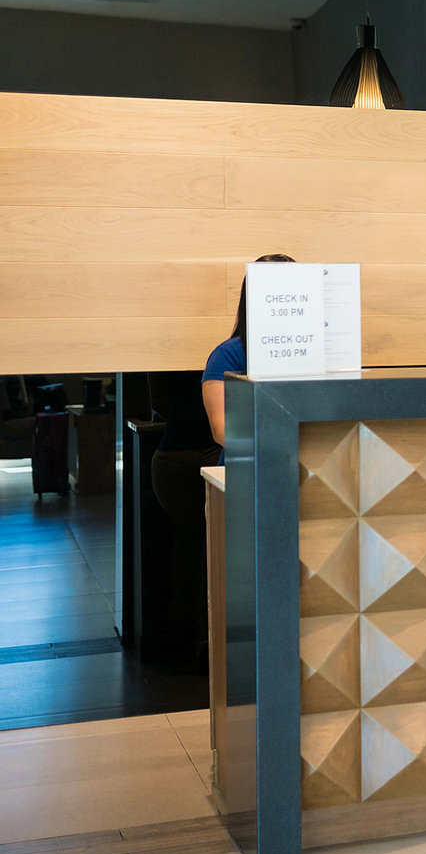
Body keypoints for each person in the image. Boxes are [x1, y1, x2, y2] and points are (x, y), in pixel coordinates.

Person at [150, 252, 294, 672]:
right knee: (233, 573)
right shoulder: (230, 355)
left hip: (295, 475)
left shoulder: (310, 351)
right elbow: (221, 430)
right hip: (249, 477)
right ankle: (217, 655)